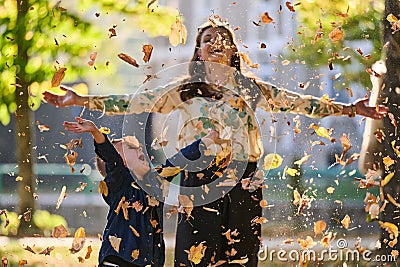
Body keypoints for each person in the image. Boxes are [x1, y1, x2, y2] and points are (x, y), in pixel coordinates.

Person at [46, 20, 388, 267]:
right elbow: (137, 101)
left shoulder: (252, 88)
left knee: (239, 257)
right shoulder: (184, 89)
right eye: (208, 38)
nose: (215, 42)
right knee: (194, 258)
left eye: (222, 38)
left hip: (244, 180)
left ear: (232, 51)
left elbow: (297, 102)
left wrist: (349, 108)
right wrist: (84, 100)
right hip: (198, 180)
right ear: (199, 49)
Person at [63, 117, 220, 267]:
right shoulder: (119, 183)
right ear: (123, 163)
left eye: (138, 147)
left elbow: (178, 160)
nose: (139, 148)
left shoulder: (156, 182)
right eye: (130, 147)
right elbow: (111, 158)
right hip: (118, 260)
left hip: (149, 262)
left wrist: (208, 140)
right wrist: (95, 132)